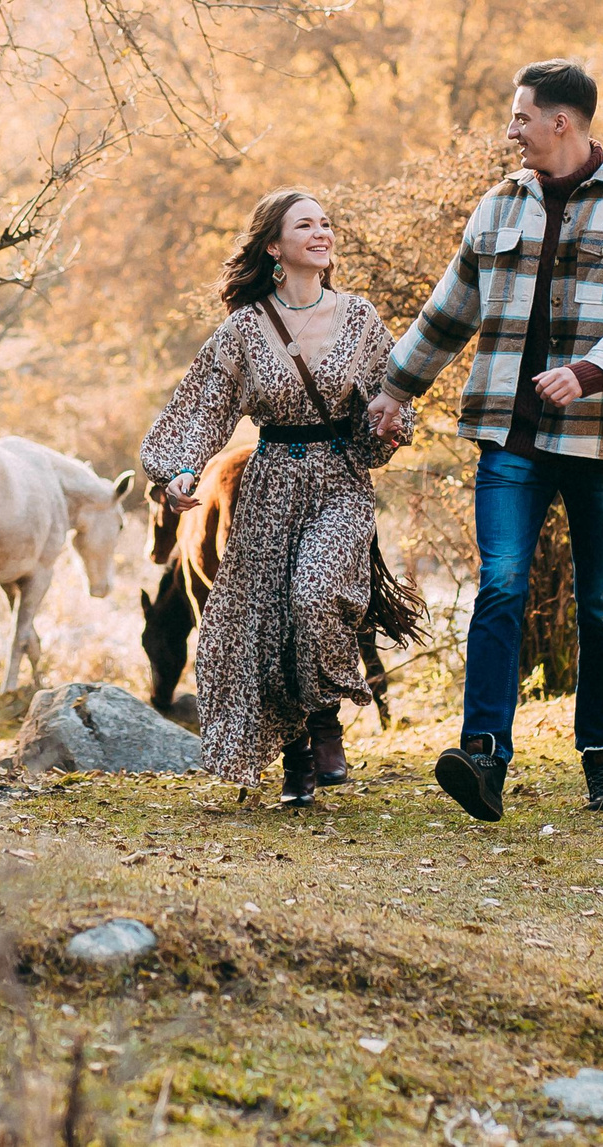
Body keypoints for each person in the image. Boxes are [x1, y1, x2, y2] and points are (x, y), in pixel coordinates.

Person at [365, 60, 603, 820]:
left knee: (600, 603)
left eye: (520, 117)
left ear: (560, 122)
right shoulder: (499, 205)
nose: (511, 131)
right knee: (501, 583)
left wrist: (590, 369)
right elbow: (449, 311)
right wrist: (392, 391)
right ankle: (483, 757)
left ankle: (602, 761)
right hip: (511, 435)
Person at [141, 190, 413, 803]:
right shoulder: (244, 330)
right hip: (269, 486)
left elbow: (390, 403)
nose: (322, 233)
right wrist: (181, 472)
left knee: (314, 595)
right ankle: (297, 763)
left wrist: (389, 426)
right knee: (270, 621)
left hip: (340, 479)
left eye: (326, 223)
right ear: (274, 246)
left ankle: (323, 720)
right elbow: (200, 409)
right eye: (305, 225)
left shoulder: (363, 319)